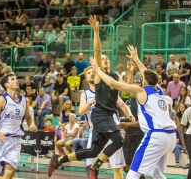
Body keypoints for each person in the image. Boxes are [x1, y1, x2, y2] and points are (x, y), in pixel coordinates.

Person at [48, 16, 135, 178]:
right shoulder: (98, 75)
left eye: (107, 58)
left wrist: (130, 73)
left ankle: (58, 159)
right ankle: (94, 167)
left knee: (93, 150)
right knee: (118, 141)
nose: (105, 59)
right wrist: (96, 31)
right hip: (101, 115)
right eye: (103, 59)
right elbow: (97, 51)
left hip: (107, 116)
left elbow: (126, 90)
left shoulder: (114, 75)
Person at [88, 45, 177, 179]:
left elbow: (113, 83)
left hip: (156, 135)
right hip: (170, 136)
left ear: (144, 81)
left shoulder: (140, 90)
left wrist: (97, 70)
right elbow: (146, 73)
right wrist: (136, 59)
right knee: (154, 172)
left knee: (132, 174)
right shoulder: (159, 89)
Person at [0, 74, 37, 179]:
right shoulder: (1, 100)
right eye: (13, 79)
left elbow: (28, 117)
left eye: (16, 78)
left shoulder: (24, 100)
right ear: (6, 84)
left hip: (15, 140)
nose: (17, 81)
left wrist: (32, 124)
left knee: (10, 171)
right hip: (0, 139)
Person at [77, 66, 129, 178]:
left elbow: (123, 105)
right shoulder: (85, 94)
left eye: (92, 72)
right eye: (88, 73)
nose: (91, 74)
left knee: (117, 167)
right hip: (95, 131)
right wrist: (91, 102)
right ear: (86, 79)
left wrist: (129, 114)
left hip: (112, 129)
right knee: (91, 168)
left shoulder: (108, 89)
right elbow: (81, 111)